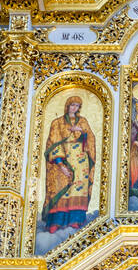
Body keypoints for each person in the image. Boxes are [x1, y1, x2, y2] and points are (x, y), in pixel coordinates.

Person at [42, 96, 98, 233]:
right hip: (64, 158)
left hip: (81, 162)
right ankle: (56, 221)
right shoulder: (58, 122)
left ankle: (75, 220)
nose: (74, 108)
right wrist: (60, 164)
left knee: (79, 188)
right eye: (72, 105)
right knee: (60, 188)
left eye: (77, 106)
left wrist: (81, 131)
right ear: (67, 105)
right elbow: (53, 143)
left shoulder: (83, 121)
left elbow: (90, 139)